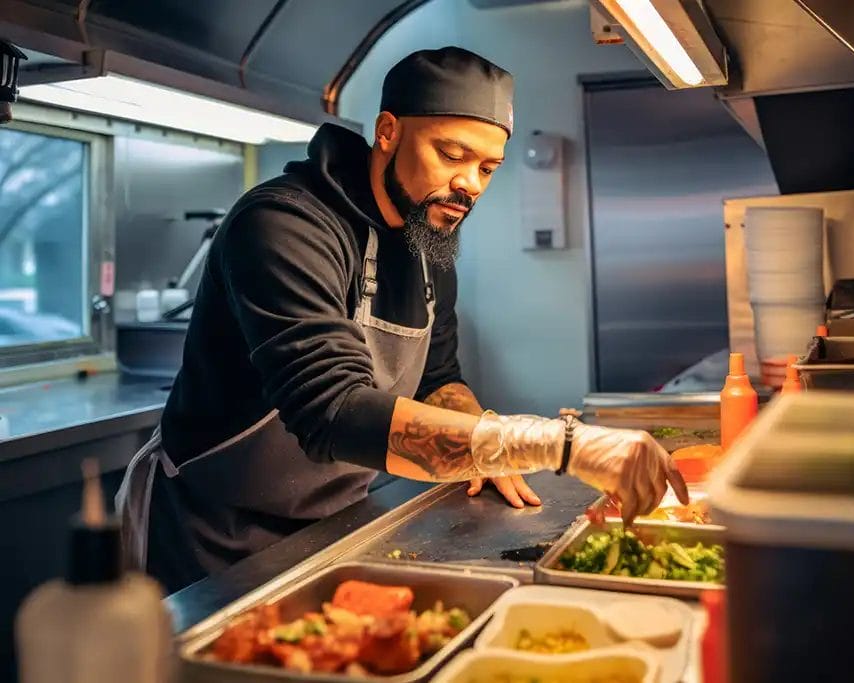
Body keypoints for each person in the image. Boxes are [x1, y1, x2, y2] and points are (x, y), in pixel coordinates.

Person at [115, 46, 687, 593]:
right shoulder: (283, 226)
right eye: (452, 154)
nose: (470, 184)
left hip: (335, 519)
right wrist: (555, 445)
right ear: (388, 132)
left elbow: (439, 379)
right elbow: (332, 412)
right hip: (214, 534)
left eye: (488, 167)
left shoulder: (428, 244)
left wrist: (483, 442)